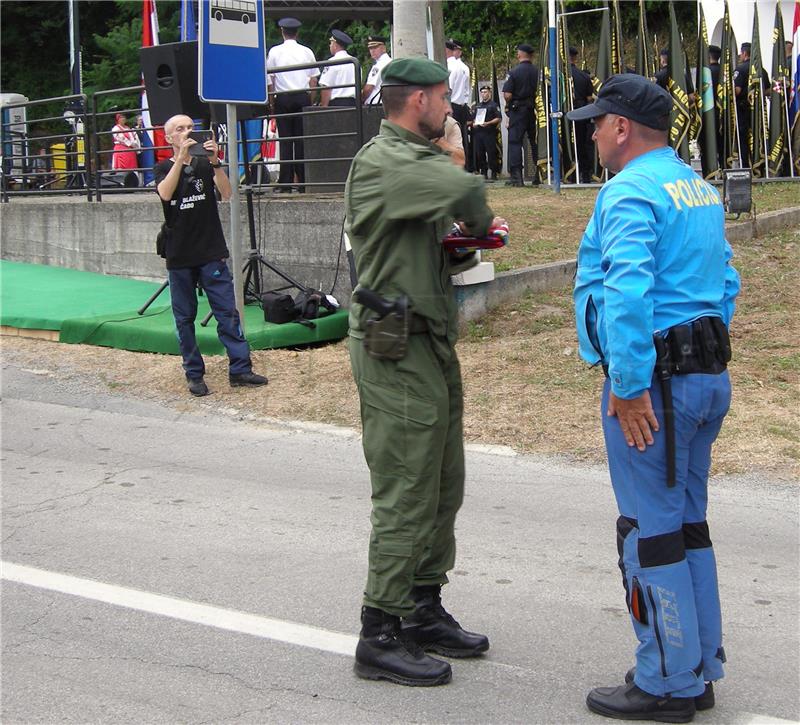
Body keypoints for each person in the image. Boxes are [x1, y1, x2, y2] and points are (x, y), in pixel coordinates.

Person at [567, 74, 740, 723]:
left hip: (654, 390)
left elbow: (627, 294)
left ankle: (666, 679)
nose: (591, 131)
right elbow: (727, 278)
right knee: (687, 522)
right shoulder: (696, 186)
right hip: (703, 380)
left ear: (620, 127)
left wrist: (631, 384)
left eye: (596, 120)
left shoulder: (628, 193)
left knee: (649, 531)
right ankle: (699, 662)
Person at [345, 56, 505, 687]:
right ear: (417, 102)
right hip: (394, 343)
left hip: (430, 338)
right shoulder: (386, 162)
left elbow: (434, 242)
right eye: (443, 97)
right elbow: (466, 194)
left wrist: (465, 244)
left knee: (442, 480)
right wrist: (476, 219)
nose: (450, 107)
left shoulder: (414, 167)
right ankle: (378, 630)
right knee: (408, 486)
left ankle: (421, 605)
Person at [154, 114, 268, 397]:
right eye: (179, 129)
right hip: (180, 253)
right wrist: (180, 160)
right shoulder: (162, 167)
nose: (187, 132)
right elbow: (165, 194)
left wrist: (216, 162)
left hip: (210, 250)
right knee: (185, 317)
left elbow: (228, 193)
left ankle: (240, 369)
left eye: (191, 127)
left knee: (227, 311)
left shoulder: (206, 165)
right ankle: (194, 373)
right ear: (169, 138)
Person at [266, 17, 319, 192]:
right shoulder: (307, 51)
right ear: (297, 32)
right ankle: (303, 181)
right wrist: (310, 100)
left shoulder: (274, 52)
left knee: (286, 141)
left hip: (283, 97)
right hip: (302, 97)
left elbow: (270, 80)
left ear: (282, 31)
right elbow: (313, 80)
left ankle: (285, 182)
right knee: (301, 140)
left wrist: (272, 102)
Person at [502, 43, 539, 186]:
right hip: (534, 109)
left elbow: (507, 94)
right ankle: (539, 174)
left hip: (518, 110)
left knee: (515, 141)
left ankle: (517, 177)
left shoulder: (514, 72)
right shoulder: (538, 71)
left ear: (519, 54)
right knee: (534, 141)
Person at [733, 42, 770, 168]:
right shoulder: (762, 70)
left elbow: (736, 90)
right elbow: (768, 91)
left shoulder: (740, 69)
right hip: (758, 111)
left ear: (744, 53)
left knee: (743, 139)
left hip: (743, 109)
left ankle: (745, 165)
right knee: (758, 136)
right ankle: (759, 165)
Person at [569, 46, 595, 183]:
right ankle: (585, 174)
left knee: (569, 144)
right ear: (575, 58)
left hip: (566, 111)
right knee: (582, 144)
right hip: (581, 112)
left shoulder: (559, 75)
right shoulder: (584, 76)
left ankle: (570, 174)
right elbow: (590, 98)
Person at [445, 38, 471, 164]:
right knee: (462, 138)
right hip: (462, 104)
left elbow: (447, 89)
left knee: (450, 137)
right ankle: (466, 164)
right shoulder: (463, 67)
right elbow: (466, 90)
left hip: (452, 104)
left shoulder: (448, 66)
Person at [470, 85, 501, 179]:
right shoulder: (478, 106)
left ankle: (494, 172)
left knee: (491, 153)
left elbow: (499, 118)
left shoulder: (493, 105)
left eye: (486, 92)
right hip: (479, 133)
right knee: (480, 153)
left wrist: (489, 123)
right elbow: (473, 119)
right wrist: (474, 123)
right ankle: (484, 172)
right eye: (482, 92)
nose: (484, 94)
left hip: (489, 133)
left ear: (489, 93)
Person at [319, 29, 356, 108]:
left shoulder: (331, 62)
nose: (330, 46)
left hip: (337, 104)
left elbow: (326, 87)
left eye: (331, 43)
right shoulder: (355, 62)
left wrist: (324, 107)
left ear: (335, 45)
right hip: (353, 104)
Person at [361, 36, 392, 105]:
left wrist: (361, 98)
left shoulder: (379, 65)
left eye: (375, 47)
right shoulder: (390, 62)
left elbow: (369, 88)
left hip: (376, 104)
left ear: (383, 48)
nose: (372, 51)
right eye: (370, 48)